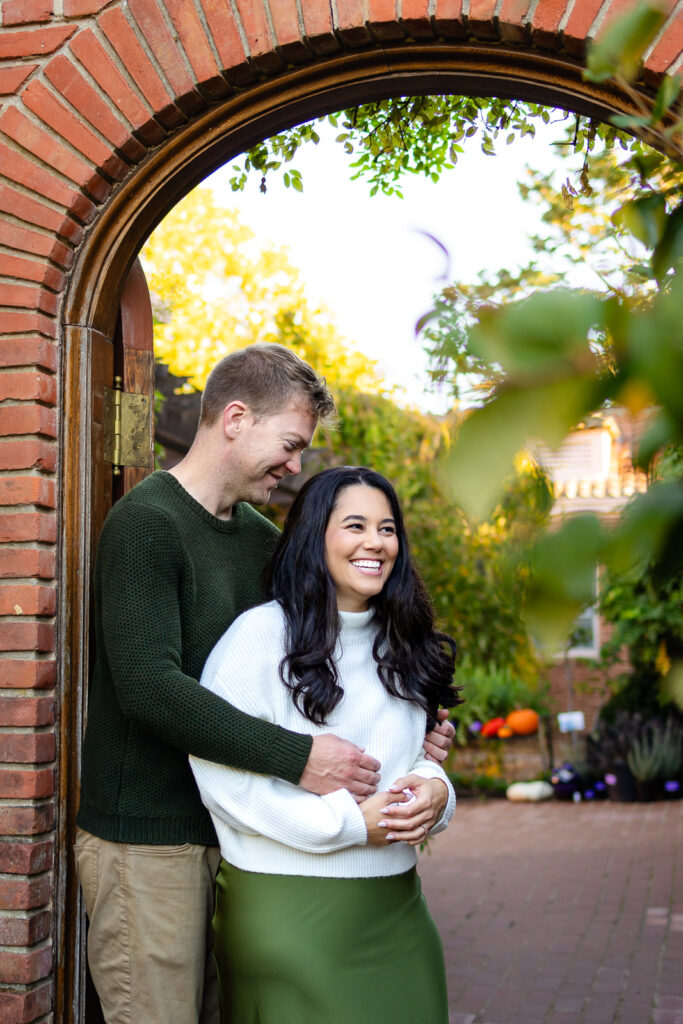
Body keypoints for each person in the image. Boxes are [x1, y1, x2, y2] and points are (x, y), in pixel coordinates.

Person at [74, 344, 454, 1024]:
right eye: (289, 444)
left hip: (242, 841)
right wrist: (300, 759)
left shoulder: (256, 538)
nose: (295, 466)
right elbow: (149, 686)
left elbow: (310, 656)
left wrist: (413, 737)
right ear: (236, 418)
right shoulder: (146, 524)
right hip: (149, 842)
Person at [191, 465, 463, 1024]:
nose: (375, 543)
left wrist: (437, 793)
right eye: (355, 526)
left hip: (398, 911)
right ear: (315, 536)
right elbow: (221, 777)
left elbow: (414, 755)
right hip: (290, 915)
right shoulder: (260, 637)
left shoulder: (404, 643)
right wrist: (348, 824)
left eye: (387, 529)